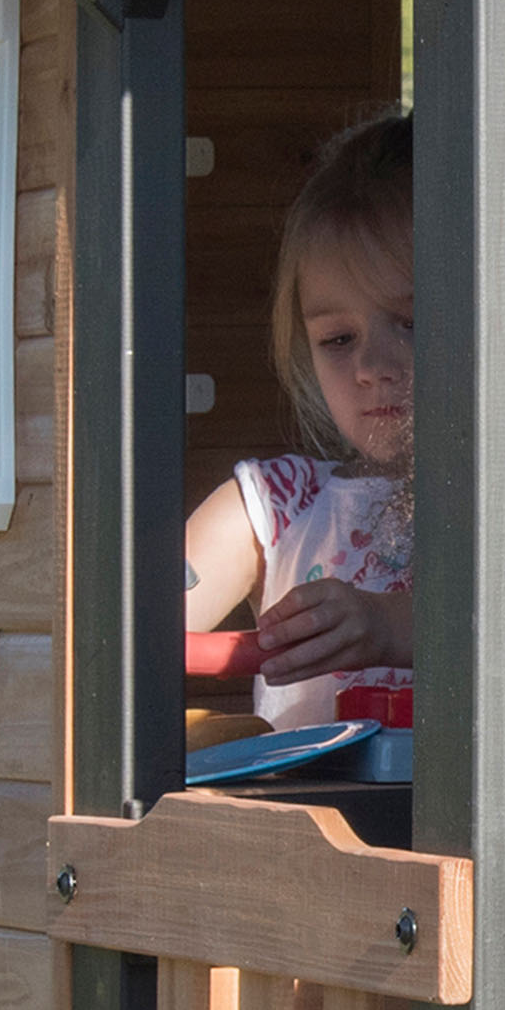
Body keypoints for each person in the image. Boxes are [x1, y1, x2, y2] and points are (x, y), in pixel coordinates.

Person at [181, 110, 417, 729]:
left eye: (413, 324)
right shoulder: (282, 505)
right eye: (338, 339)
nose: (371, 366)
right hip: (301, 828)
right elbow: (137, 623)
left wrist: (391, 626)